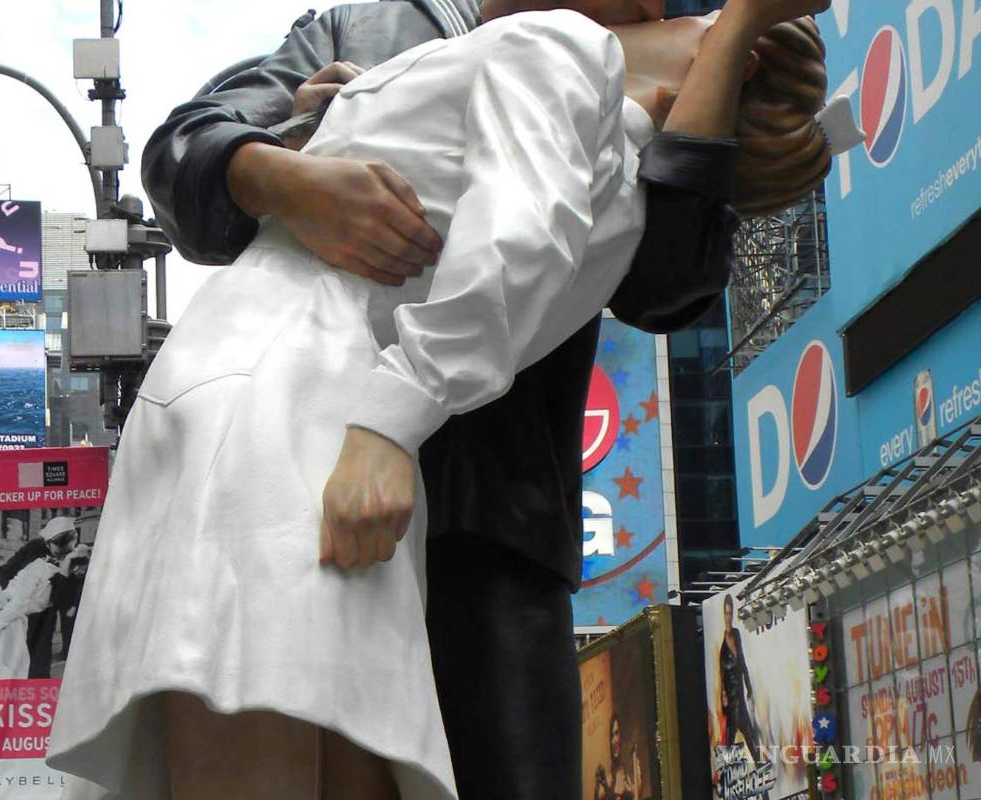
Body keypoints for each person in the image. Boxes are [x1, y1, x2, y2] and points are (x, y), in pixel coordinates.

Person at [48, 3, 838, 798]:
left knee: (296, 740)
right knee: (271, 729)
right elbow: (189, 150)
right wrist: (293, 169)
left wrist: (394, 416)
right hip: (303, 413)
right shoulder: (389, 35)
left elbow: (598, 259)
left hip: (416, 477)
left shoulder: (583, 95)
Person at [0, 516, 78, 680]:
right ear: (47, 543)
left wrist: (66, 572)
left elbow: (63, 601)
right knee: (0, 669)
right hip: (11, 616)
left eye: (66, 552)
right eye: (57, 551)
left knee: (34, 672)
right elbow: (6, 573)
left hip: (41, 624)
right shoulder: (34, 555)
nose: (61, 557)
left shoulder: (73, 561)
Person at [720, 593, 762, 760]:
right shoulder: (723, 641)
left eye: (730, 613)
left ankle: (758, 763)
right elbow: (721, 670)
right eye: (726, 613)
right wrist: (723, 693)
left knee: (747, 731)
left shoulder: (735, 634)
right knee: (732, 733)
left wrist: (749, 689)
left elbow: (742, 662)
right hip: (730, 696)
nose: (728, 617)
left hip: (738, 694)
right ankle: (728, 770)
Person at [594, 714, 643, 800]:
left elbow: (637, 791)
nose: (614, 740)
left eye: (617, 733)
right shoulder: (609, 779)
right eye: (612, 736)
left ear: (621, 736)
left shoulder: (628, 773)